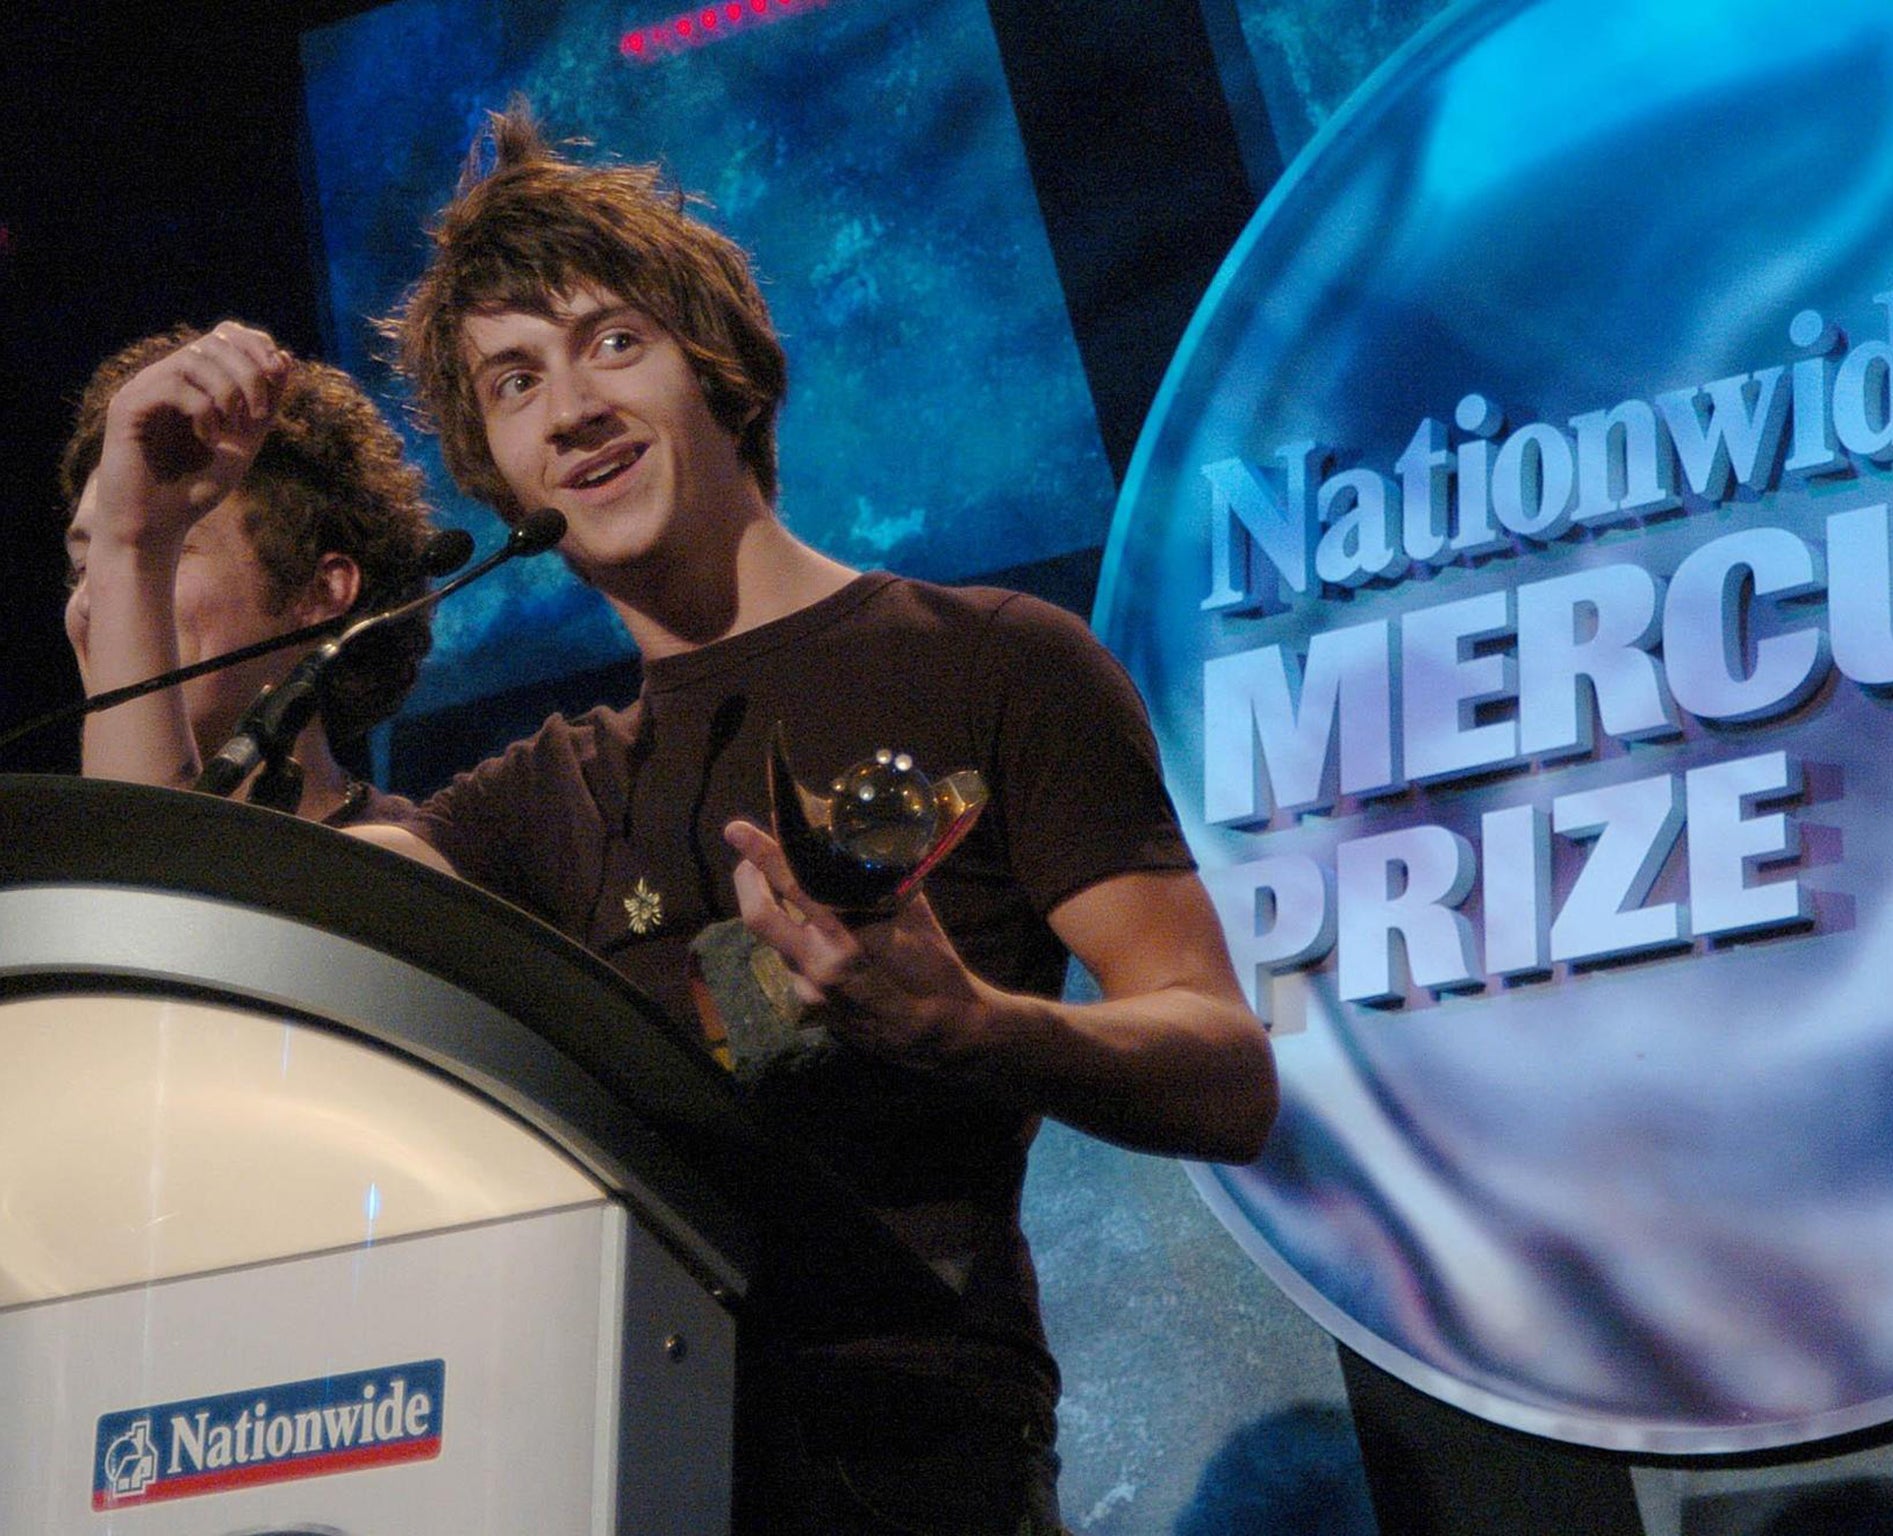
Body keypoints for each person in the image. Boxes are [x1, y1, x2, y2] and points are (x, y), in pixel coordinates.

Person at [361, 104, 1277, 1535]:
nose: (573, 408)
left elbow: (1227, 1073)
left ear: (719, 373)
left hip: (911, 1459)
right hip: (609, 1451)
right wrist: (131, 544)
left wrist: (971, 1024)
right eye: (513, 381)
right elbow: (245, 922)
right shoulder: (541, 796)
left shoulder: (993, 662)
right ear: (499, 469)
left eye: (614, 341)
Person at [60, 323, 437, 825]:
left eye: (164, 549)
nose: (96, 602)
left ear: (320, 590)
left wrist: (134, 550)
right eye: (86, 568)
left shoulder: (417, 866)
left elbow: (156, 881)